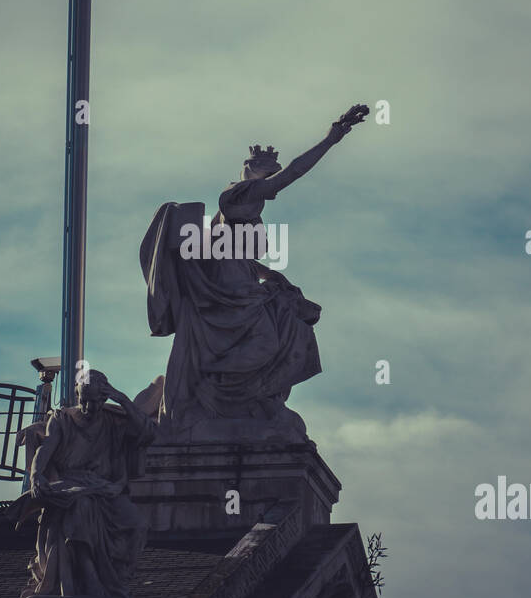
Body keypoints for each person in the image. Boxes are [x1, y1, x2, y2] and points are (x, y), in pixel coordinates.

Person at [140, 104, 368, 438]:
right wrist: (330, 139)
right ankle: (214, 386)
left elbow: (230, 252)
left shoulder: (245, 206)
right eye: (267, 171)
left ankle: (240, 395)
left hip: (243, 289)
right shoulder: (237, 196)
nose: (272, 180)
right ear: (254, 172)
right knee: (268, 341)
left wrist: (269, 274)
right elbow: (293, 173)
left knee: (290, 330)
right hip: (230, 298)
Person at [13, 370, 156, 598]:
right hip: (72, 485)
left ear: (104, 399)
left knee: (137, 525)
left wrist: (121, 399)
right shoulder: (62, 419)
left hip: (106, 489)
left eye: (95, 401)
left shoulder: (114, 421)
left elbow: (147, 432)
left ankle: (116, 582)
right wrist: (37, 475)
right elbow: (45, 449)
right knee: (80, 507)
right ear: (78, 396)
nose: (88, 406)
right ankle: (90, 579)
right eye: (84, 400)